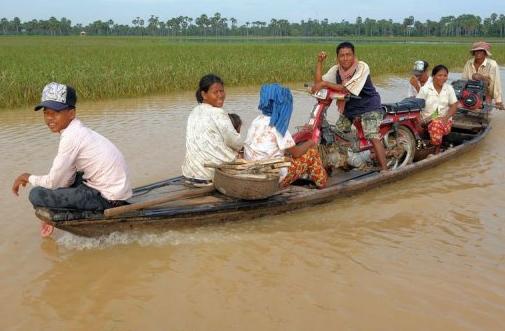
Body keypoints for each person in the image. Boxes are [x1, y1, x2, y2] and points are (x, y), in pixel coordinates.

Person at [11, 82, 132, 212]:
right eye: (46, 113)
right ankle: (56, 210)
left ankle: (55, 214)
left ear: (71, 113)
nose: (49, 118)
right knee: (68, 177)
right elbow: (65, 181)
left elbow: (53, 183)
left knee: (36, 194)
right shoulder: (78, 130)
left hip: (109, 200)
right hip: (114, 192)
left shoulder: (71, 137)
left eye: (55, 112)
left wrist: (27, 177)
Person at [312, 41, 388, 171]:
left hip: (369, 107)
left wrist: (324, 84)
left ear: (354, 55)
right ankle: (347, 159)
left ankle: (385, 169)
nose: (345, 58)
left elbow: (346, 88)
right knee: (337, 133)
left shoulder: (362, 67)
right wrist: (319, 62)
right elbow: (318, 82)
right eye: (342, 55)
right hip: (350, 109)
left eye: (348, 55)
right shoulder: (336, 70)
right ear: (337, 58)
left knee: (371, 134)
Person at [244, 83, 328, 188]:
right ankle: (322, 184)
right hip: (273, 178)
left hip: (253, 170)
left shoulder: (256, 121)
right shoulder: (278, 127)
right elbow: (296, 153)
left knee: (287, 155)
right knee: (311, 154)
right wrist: (310, 143)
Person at [182, 74, 243, 184]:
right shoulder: (217, 112)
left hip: (189, 173)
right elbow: (235, 142)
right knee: (241, 157)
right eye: (216, 92)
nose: (220, 95)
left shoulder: (194, 112)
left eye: (222, 91)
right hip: (209, 176)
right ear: (204, 94)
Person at [416, 65, 458, 154]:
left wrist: (446, 118)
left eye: (445, 75)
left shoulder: (449, 88)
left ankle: (436, 150)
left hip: (443, 120)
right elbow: (417, 107)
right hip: (426, 121)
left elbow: (454, 105)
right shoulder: (425, 89)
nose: (442, 78)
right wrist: (419, 123)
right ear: (433, 76)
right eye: (439, 75)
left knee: (436, 124)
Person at [462, 41, 503, 110]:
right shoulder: (469, 63)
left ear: (485, 53)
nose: (478, 53)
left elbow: (496, 83)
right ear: (474, 52)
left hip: (486, 92)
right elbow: (464, 79)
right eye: (476, 51)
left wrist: (498, 101)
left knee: (485, 112)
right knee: (463, 108)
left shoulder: (492, 64)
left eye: (481, 51)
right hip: (470, 91)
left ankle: (485, 102)